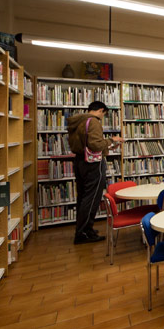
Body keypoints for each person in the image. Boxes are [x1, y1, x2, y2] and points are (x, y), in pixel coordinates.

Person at [67, 101, 123, 244]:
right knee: (92, 198)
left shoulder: (79, 121)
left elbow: (86, 143)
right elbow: (95, 145)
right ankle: (83, 233)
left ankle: (84, 229)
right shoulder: (93, 122)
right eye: (104, 114)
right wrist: (111, 140)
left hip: (80, 161)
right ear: (101, 110)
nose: (103, 117)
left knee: (83, 196)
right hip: (92, 164)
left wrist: (107, 146)